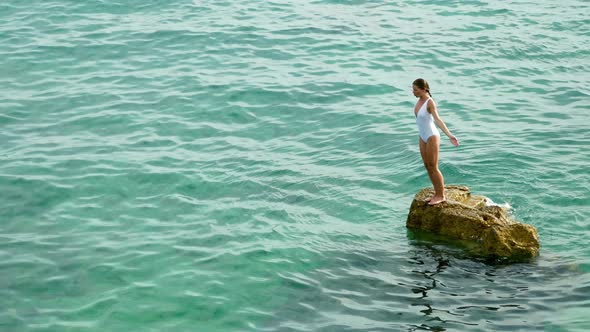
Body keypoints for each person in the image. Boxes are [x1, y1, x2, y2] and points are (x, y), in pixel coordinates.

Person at [412, 78, 459, 205]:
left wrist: (449, 135)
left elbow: (437, 120)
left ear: (423, 89)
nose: (413, 92)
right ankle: (436, 193)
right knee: (427, 166)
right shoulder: (419, 101)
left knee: (433, 166)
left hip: (432, 136)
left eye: (415, 90)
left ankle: (440, 195)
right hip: (422, 136)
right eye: (413, 89)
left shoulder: (429, 102)